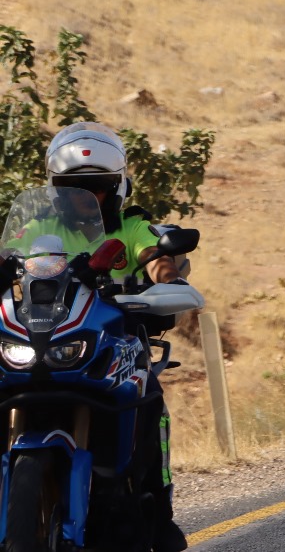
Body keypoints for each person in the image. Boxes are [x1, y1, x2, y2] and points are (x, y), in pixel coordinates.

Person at [40, 122, 186, 552]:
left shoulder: (132, 225)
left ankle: (159, 511)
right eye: (72, 189)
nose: (86, 199)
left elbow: (156, 256)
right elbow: (12, 257)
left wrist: (168, 281)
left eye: (98, 188)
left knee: (151, 399)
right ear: (55, 190)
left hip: (116, 349)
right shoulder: (40, 229)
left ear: (116, 187)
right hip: (47, 345)